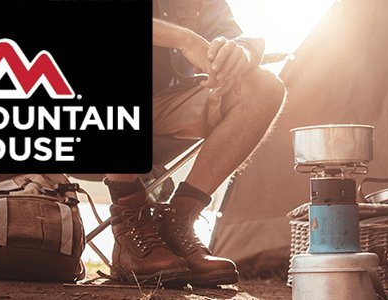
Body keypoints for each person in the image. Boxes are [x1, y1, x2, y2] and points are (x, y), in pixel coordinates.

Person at [102, 0, 285, 286]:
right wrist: (184, 38)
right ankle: (130, 226)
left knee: (264, 87)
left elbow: (232, 35)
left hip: (166, 109)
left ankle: (178, 223)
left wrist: (242, 53)